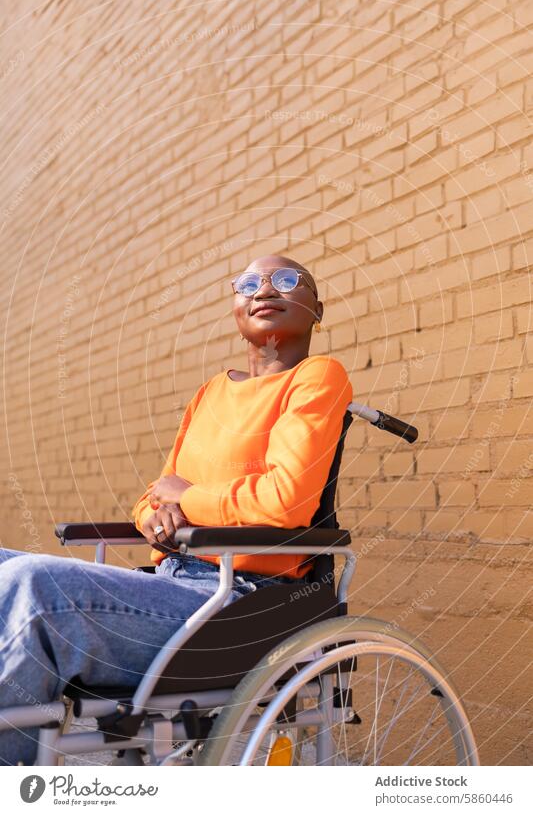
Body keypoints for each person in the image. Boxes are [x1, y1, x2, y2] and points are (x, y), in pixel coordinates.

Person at [0, 254, 353, 765]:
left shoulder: (317, 377)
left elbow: (286, 502)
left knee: (34, 587)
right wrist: (155, 517)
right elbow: (156, 493)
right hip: (173, 582)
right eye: (249, 283)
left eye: (286, 280)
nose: (265, 290)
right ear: (236, 307)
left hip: (242, 601)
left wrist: (187, 501)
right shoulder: (211, 393)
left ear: (316, 309)